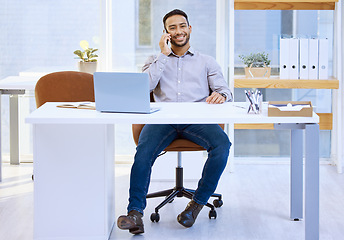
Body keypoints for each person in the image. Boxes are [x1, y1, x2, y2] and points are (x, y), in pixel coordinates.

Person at [117, 9, 233, 235]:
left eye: (182, 26)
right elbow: (144, 89)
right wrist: (163, 54)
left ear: (189, 29)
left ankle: (196, 205)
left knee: (223, 146)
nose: (178, 31)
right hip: (163, 120)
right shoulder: (154, 61)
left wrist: (221, 95)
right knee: (143, 151)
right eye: (172, 28)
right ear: (166, 33)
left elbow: (225, 90)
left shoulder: (207, 61)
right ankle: (135, 214)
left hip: (196, 120)